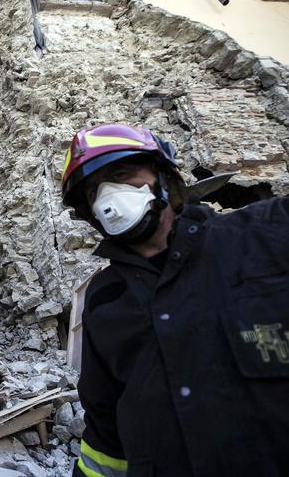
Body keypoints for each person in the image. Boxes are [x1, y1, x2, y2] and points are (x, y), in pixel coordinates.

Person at [60, 123, 289, 477]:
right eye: (93, 191)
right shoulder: (106, 299)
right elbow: (106, 432)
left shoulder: (263, 236)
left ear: (164, 176)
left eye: (121, 174)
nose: (108, 197)